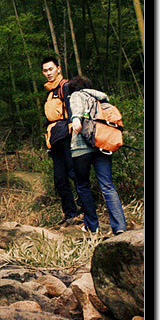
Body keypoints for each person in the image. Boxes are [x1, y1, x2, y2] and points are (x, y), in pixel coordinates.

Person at [67, 75, 127, 236]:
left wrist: (76, 119)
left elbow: (77, 109)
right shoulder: (101, 99)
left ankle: (92, 227)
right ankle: (119, 226)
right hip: (102, 144)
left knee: (82, 185)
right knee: (107, 185)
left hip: (82, 147)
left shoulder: (77, 95)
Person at [41, 56, 82, 225]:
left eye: (51, 69)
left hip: (68, 135)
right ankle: (71, 214)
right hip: (55, 139)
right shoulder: (50, 92)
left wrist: (74, 129)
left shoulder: (65, 86)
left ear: (58, 69)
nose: (48, 73)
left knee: (74, 173)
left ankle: (85, 209)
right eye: (45, 71)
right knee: (59, 179)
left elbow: (72, 109)